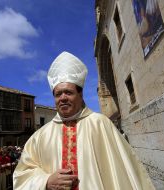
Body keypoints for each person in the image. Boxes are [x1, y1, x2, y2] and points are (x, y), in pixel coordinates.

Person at [13, 51, 155, 189]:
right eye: (58, 94)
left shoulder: (100, 124)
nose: (62, 98)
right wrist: (46, 181)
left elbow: (125, 172)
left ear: (80, 95)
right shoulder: (39, 137)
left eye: (68, 92)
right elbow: (22, 175)